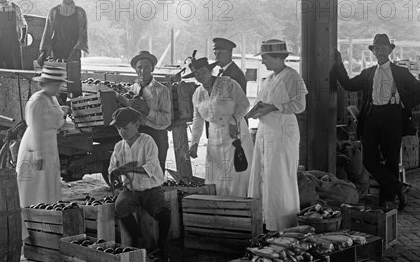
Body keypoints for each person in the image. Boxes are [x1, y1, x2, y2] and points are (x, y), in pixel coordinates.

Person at [331, 34, 420, 210]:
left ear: (390, 50)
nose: (380, 52)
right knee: (369, 160)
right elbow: (348, 84)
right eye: (377, 49)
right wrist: (338, 64)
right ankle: (399, 188)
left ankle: (386, 200)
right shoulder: (368, 73)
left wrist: (405, 105)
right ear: (373, 51)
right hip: (372, 117)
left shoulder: (401, 72)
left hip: (393, 116)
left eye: (384, 48)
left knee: (391, 160)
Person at [247, 39, 307, 231]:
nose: (263, 62)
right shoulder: (269, 79)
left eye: (265, 58)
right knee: (264, 174)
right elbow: (260, 103)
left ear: (277, 57)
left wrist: (273, 107)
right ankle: (266, 220)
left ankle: (284, 224)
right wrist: (255, 112)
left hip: (282, 133)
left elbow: (299, 106)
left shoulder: (292, 77)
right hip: (266, 132)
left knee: (280, 176)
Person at [109, 107, 172, 262]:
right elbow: (111, 169)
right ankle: (139, 239)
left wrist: (129, 168)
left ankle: (162, 244)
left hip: (151, 189)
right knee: (120, 206)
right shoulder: (118, 146)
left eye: (125, 127)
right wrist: (115, 175)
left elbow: (151, 166)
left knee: (163, 213)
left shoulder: (147, 141)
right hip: (131, 190)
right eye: (118, 128)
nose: (122, 132)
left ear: (136, 124)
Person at [186, 56, 253, 197]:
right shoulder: (197, 94)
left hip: (236, 133)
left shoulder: (228, 84)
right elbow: (197, 119)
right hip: (215, 137)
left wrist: (234, 121)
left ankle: (240, 211)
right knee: (218, 177)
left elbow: (244, 104)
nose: (200, 76)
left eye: (202, 71)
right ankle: (222, 211)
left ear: (210, 70)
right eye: (196, 74)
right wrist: (194, 143)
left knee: (237, 175)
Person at [16, 62, 70, 214]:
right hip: (35, 147)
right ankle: (32, 220)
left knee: (48, 184)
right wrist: (39, 155)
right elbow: (36, 128)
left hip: (50, 145)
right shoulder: (37, 101)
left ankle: (49, 217)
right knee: (36, 186)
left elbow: (58, 121)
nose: (59, 87)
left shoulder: (52, 99)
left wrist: (63, 114)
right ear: (47, 83)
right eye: (57, 84)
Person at [127, 51, 172, 173]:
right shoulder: (133, 89)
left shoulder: (162, 90)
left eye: (146, 67)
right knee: (138, 172)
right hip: (138, 134)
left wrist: (148, 112)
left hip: (156, 135)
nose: (143, 71)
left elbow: (167, 120)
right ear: (135, 69)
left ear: (152, 68)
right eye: (139, 67)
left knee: (155, 173)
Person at [38, 0, 88, 64]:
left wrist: (76, 50)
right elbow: (47, 33)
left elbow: (83, 35)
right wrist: (44, 52)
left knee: (73, 76)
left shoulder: (80, 12)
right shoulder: (53, 12)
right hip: (57, 53)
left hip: (74, 53)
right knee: (57, 75)